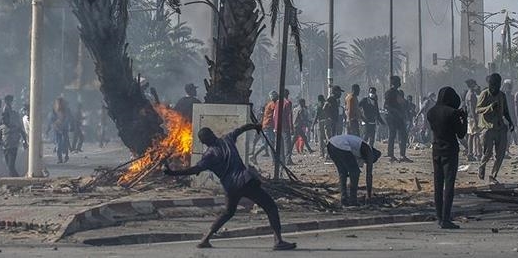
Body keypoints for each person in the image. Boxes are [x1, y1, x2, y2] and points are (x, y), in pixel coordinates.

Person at [162, 124, 296, 251]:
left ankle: (205, 239)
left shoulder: (208, 156)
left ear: (203, 142)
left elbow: (194, 170)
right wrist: (254, 126)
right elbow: (241, 129)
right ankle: (278, 241)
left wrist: (172, 173)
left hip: (230, 188)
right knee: (270, 206)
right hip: (245, 182)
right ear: (213, 134)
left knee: (228, 212)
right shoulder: (227, 139)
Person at [427, 86, 467, 229]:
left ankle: (439, 217)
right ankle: (446, 218)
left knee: (438, 185)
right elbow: (461, 134)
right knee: (449, 186)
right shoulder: (452, 113)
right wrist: (464, 119)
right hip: (450, 151)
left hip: (436, 150)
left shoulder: (431, 112)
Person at [476, 73, 514, 184]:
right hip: (487, 127)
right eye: (492, 85)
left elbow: (505, 110)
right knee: (488, 153)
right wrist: (490, 107)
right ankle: (482, 166)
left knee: (500, 154)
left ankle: (493, 175)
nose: (494, 88)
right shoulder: (484, 94)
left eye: (496, 85)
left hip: (500, 127)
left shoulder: (502, 95)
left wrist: (511, 122)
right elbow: (477, 109)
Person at [326, 133, 381, 206]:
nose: (367, 162)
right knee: (355, 172)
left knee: (343, 172)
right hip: (341, 145)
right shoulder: (369, 151)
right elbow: (369, 175)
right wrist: (369, 195)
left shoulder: (360, 148)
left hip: (331, 145)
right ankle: (353, 200)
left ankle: (344, 198)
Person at [384, 76, 411, 162]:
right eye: (398, 81)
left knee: (403, 135)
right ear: (394, 83)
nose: (399, 83)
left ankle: (402, 155)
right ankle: (390, 155)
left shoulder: (398, 93)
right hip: (392, 117)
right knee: (392, 135)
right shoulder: (389, 93)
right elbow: (386, 105)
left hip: (399, 117)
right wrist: (396, 111)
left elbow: (402, 103)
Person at [0, 94, 27, 176]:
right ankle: (14, 178)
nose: (3, 118)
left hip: (13, 144)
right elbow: (0, 132)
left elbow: (21, 130)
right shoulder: (3, 125)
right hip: (5, 145)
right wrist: (0, 141)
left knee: (11, 166)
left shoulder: (14, 119)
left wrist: (25, 141)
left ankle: (17, 178)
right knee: (9, 166)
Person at [46, 97, 71, 164]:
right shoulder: (53, 111)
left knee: (65, 143)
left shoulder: (66, 111)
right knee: (58, 144)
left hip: (64, 129)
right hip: (57, 129)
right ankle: (60, 158)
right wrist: (48, 129)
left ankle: (66, 156)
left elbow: (69, 119)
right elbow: (51, 121)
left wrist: (70, 126)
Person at [274, 89, 294, 164]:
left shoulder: (277, 102)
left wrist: (275, 126)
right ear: (287, 95)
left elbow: (274, 115)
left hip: (277, 127)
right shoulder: (287, 103)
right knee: (287, 144)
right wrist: (291, 128)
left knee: (280, 145)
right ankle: (288, 160)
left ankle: (282, 161)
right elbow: (289, 116)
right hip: (285, 127)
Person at [464, 79, 482, 161]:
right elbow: (472, 108)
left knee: (471, 135)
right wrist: (475, 120)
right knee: (477, 135)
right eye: (475, 84)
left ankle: (470, 153)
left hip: (470, 117)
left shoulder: (468, 94)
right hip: (473, 117)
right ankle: (477, 153)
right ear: (472, 85)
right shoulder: (471, 95)